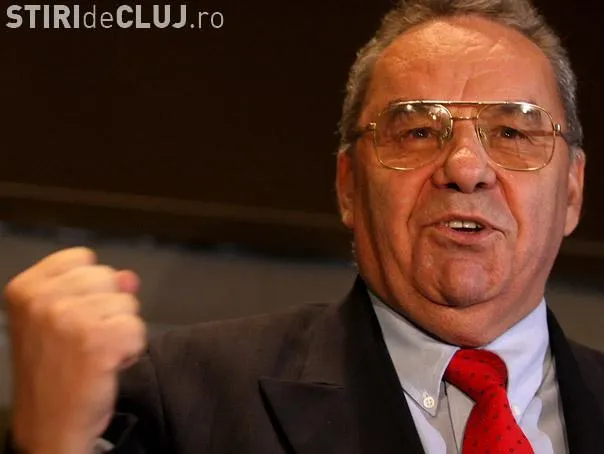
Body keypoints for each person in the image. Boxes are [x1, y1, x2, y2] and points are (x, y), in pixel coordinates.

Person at [4, 0, 604, 452]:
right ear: (348, 187)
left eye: (512, 132)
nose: (466, 169)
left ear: (572, 191)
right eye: (418, 131)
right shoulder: (183, 398)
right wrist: (50, 442)